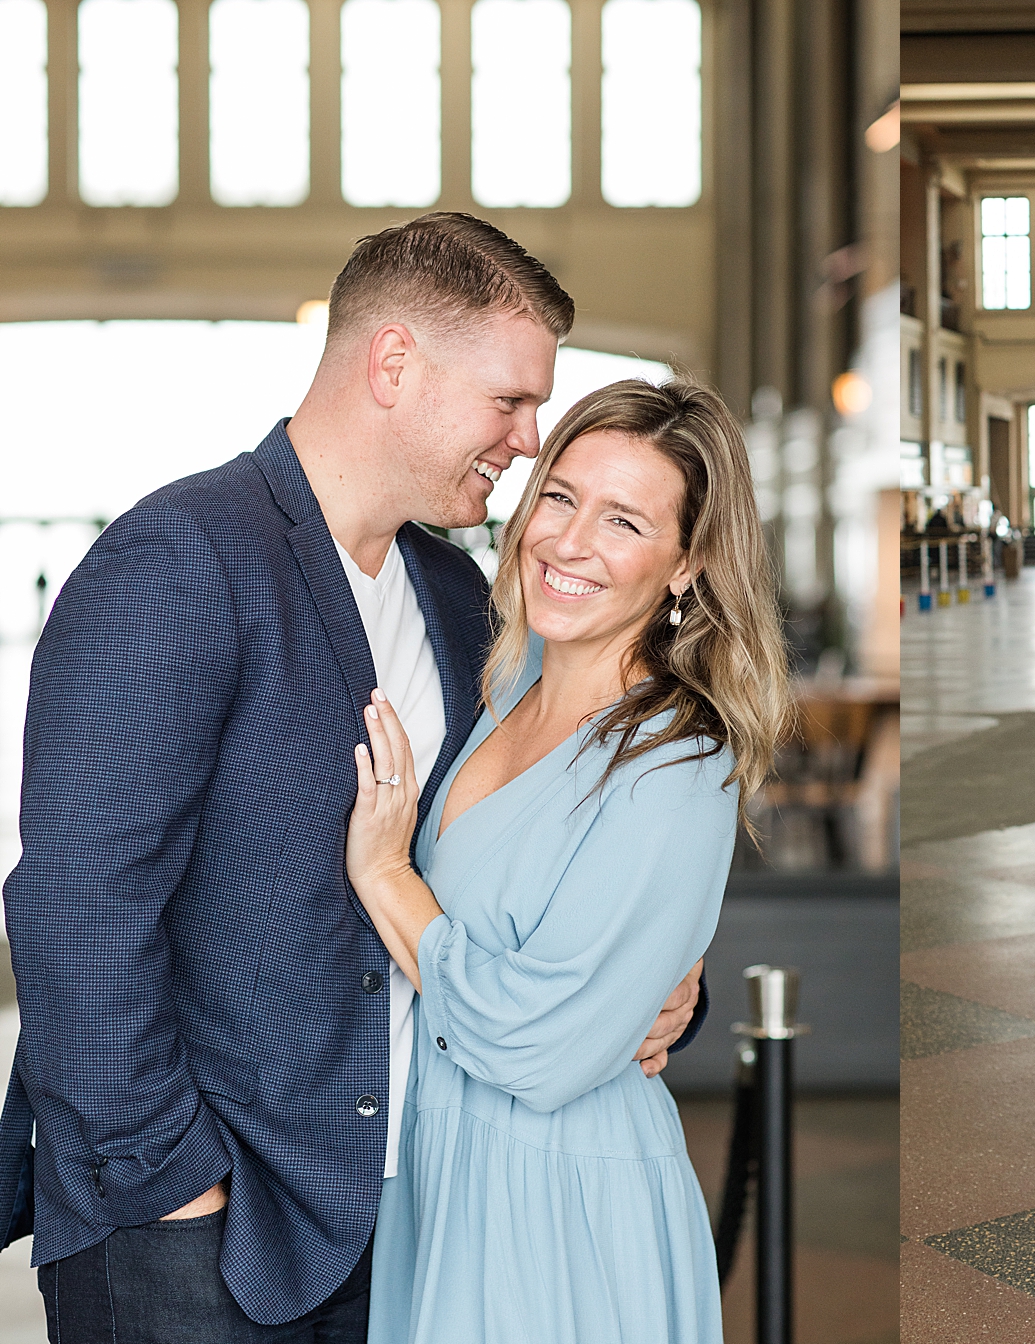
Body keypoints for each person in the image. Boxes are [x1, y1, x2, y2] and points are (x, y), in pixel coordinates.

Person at [0, 213, 705, 1339]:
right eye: (510, 401)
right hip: (197, 1226)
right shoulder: (180, 557)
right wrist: (176, 1191)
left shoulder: (457, 592)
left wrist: (654, 978)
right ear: (393, 364)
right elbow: (78, 911)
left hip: (401, 1216)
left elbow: (525, 853)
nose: (529, 443)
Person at [349, 377, 789, 1342]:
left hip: (562, 1201)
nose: (569, 541)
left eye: (624, 520)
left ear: (690, 563)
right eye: (560, 495)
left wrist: (387, 876)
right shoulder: (503, 685)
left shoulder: (678, 759)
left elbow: (540, 1048)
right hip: (441, 1174)